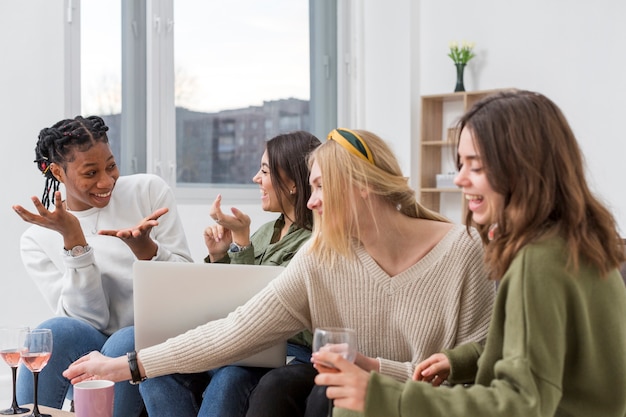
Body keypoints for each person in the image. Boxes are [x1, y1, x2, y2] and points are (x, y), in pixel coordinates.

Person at [63, 128, 496, 417]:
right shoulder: (321, 257)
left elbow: (484, 374)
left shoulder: (463, 252)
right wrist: (127, 366)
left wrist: (379, 371)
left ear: (363, 185)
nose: (311, 201)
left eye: (322, 185)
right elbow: (231, 333)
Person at [312, 90, 626, 417]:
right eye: (461, 165)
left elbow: (522, 404)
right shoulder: (582, 239)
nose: (460, 179)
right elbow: (547, 354)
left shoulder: (538, 260)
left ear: (522, 169)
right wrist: (461, 360)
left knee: (355, 408)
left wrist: (387, 397)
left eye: (475, 167)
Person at [12, 115, 193, 416]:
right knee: (54, 330)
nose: (106, 181)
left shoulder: (148, 192)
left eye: (111, 166)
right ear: (58, 171)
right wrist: (75, 243)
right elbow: (87, 320)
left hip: (156, 336)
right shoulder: (37, 239)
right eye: (91, 172)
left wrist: (147, 251)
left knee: (125, 338)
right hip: (93, 339)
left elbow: (189, 288)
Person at [139, 131, 321, 416]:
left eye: (263, 171)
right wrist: (220, 254)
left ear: (293, 184)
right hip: (238, 343)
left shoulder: (314, 242)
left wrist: (241, 244)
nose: (255, 178)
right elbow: (229, 299)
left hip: (286, 349)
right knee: (158, 374)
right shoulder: (266, 231)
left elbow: (264, 308)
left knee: (230, 377)